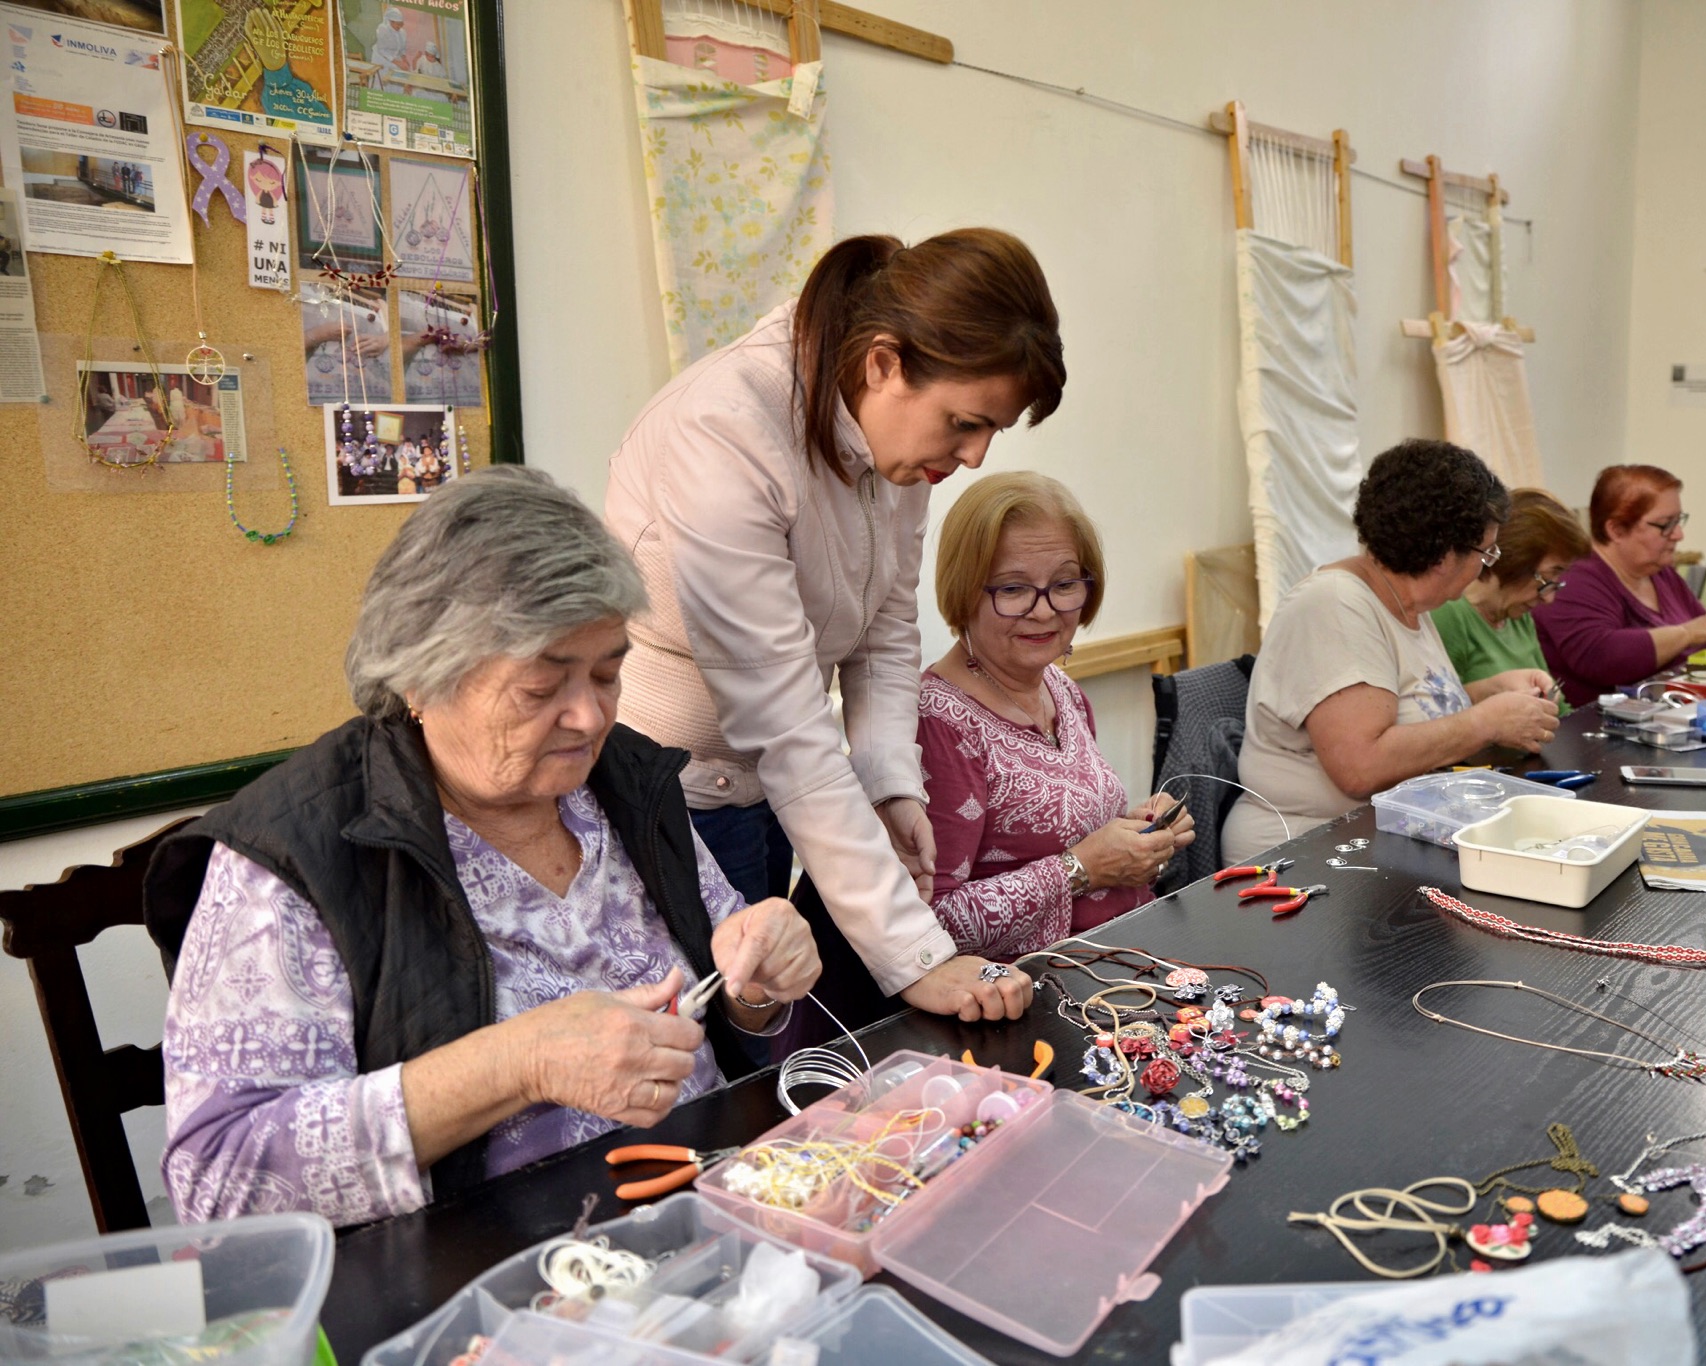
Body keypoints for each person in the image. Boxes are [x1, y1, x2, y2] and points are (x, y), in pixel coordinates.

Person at [145, 469, 821, 1225]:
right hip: (477, 1269)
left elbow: (735, 1006)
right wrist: (517, 1062)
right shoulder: (298, 853)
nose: (589, 717)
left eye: (608, 672)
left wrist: (756, 985)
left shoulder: (628, 780)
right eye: (541, 689)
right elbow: (221, 1181)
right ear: (421, 676)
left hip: (701, 1200)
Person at [606, 229, 1064, 1025]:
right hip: (669, 802)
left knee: (765, 1026)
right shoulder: (722, 433)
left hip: (772, 792)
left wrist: (889, 777)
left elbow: (885, 620)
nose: (977, 455)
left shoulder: (893, 438)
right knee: (702, 1064)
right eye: (964, 423)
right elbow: (787, 725)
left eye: (991, 429)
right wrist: (918, 955)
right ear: (884, 362)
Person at [1222, 440, 1560, 864]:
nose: (1485, 566)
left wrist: (1490, 692)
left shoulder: (1407, 605)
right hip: (1306, 854)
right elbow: (1360, 767)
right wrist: (1486, 723)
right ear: (1442, 553)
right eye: (1485, 552)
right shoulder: (1335, 605)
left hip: (1375, 843)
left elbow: (1406, 711)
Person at [918, 472, 1193, 960]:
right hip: (1026, 1001)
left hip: (1120, 963)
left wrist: (1140, 833)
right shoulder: (939, 724)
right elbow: (930, 924)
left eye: (1064, 584)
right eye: (1013, 589)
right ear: (963, 590)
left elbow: (1071, 833)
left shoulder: (1059, 688)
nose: (1044, 612)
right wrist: (1082, 868)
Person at [1533, 465, 1706, 707]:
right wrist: (1687, 633)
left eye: (1678, 521)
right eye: (1665, 524)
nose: (1678, 534)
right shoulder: (1575, 580)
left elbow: (1702, 635)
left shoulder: (1660, 573)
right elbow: (1600, 657)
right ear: (1615, 529)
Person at [1430, 487, 1590, 705]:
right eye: (1546, 578)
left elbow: (1556, 706)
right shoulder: (1449, 615)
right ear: (1517, 560)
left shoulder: (1517, 614)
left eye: (1555, 583)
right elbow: (1436, 711)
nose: (1548, 599)